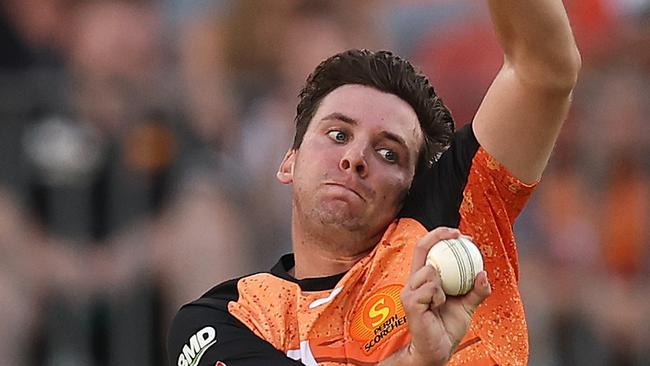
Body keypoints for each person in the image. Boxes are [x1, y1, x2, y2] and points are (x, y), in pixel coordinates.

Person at [167, 0, 580, 365]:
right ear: (289, 161)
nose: (355, 157)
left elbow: (543, 70)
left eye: (388, 153)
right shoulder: (226, 317)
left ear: (411, 189)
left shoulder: (450, 224)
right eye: (338, 134)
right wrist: (416, 360)